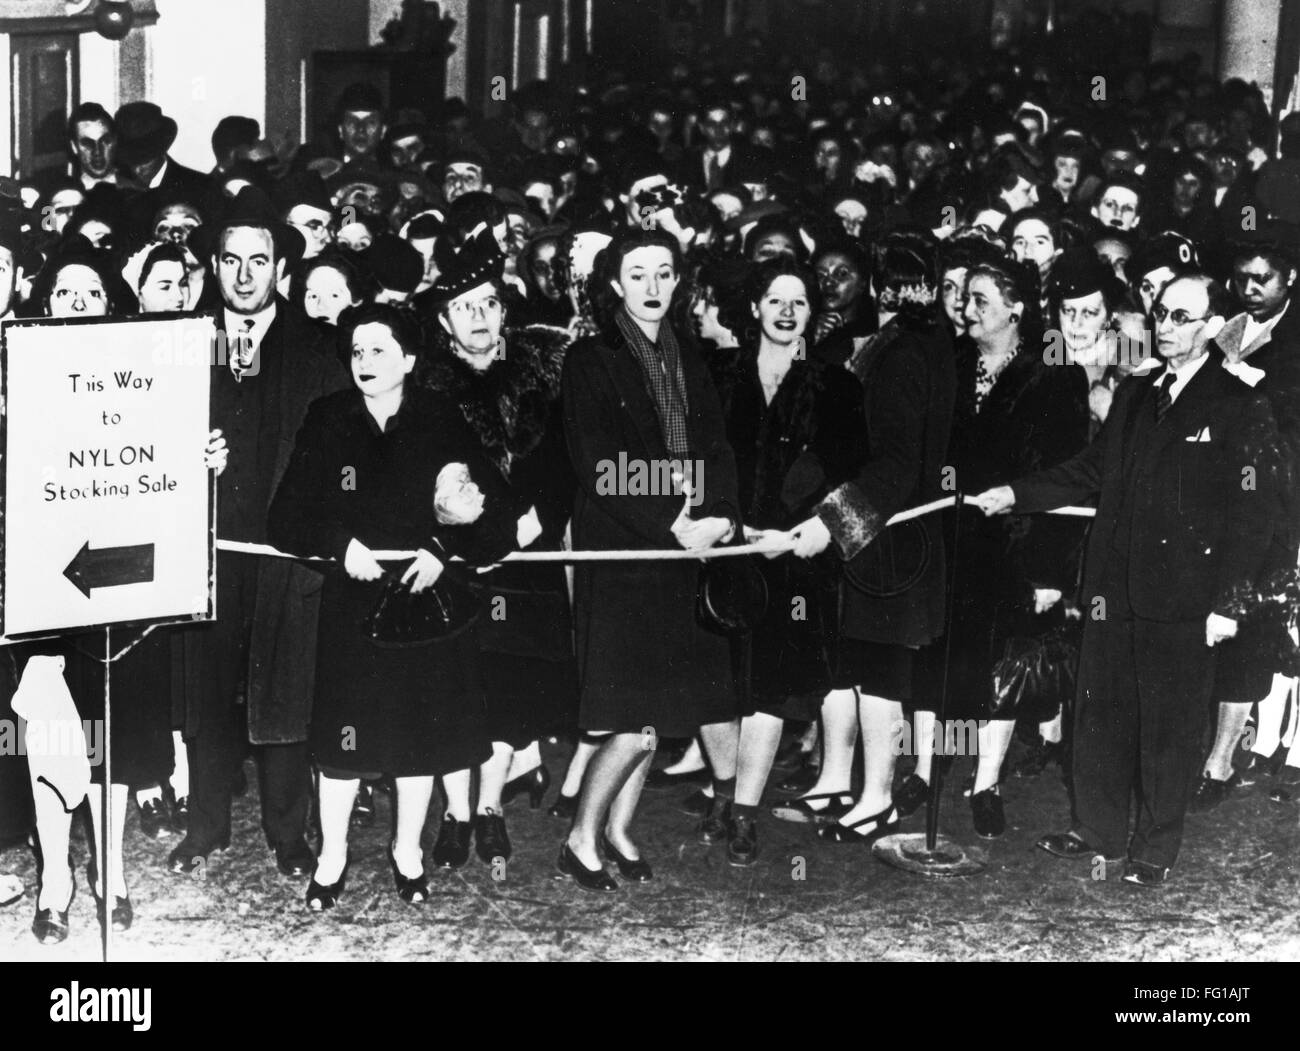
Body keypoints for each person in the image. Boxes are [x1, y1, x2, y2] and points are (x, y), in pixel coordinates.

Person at [972, 274, 1278, 885]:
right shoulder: (1138, 393)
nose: (1165, 326)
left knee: (1167, 726)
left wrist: (1230, 604)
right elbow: (1090, 470)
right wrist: (1016, 493)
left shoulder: (1239, 403)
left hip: (1186, 599)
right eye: (1160, 313)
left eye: (1183, 316)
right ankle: (1096, 829)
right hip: (1113, 590)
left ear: (1213, 326)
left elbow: (1254, 513)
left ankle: (1155, 848)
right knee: (1099, 713)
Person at [268, 303, 516, 909]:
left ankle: (407, 852)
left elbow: (494, 516)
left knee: (419, 740)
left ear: (408, 359)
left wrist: (443, 545)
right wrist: (338, 544)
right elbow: (285, 517)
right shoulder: (327, 418)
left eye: (379, 350)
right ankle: (331, 859)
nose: (365, 362)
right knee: (343, 746)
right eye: (356, 351)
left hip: (427, 609)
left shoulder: (442, 418)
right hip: (354, 611)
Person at [21, 243, 226, 943]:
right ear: (44, 305)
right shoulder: (16, 375)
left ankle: (111, 872)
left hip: (123, 603)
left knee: (115, 749)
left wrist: (202, 459)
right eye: (64, 295)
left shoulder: (150, 376)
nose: (78, 306)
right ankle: (56, 877)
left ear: (112, 305)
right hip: (40, 603)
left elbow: (168, 478)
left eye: (91, 295)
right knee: (50, 744)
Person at [167, 188, 348, 881]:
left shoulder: (316, 351)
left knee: (287, 692)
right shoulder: (182, 342)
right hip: (210, 552)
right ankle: (206, 823)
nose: (245, 275)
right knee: (209, 689)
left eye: (260, 260)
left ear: (281, 270)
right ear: (213, 267)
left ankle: (287, 831)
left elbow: (339, 456)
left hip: (286, 552)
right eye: (232, 260)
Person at [559, 225, 741, 891]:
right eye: (638, 274)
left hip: (684, 548)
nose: (653, 286)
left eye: (664, 273)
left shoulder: (688, 354)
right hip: (627, 548)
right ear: (614, 283)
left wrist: (719, 514)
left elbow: (717, 447)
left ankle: (618, 830)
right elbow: (599, 463)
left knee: (658, 708)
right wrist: (674, 516)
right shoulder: (589, 359)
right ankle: (581, 836)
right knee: (631, 714)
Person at [773, 231, 956, 844]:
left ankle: (877, 798)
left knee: (880, 674)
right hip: (878, 536)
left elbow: (897, 464)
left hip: (892, 539)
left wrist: (830, 521)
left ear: (878, 287)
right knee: (854, 663)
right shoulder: (912, 343)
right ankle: (838, 780)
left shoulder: (904, 353)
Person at [702, 257, 867, 864]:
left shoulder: (837, 386)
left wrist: (817, 528)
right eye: (775, 300)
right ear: (754, 308)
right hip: (725, 550)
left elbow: (852, 473)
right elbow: (692, 454)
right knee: (716, 682)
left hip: (797, 560)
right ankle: (724, 788)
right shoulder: (718, 375)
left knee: (769, 686)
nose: (787, 312)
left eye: (799, 302)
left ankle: (744, 810)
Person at [421, 226, 577, 867]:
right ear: (444, 320)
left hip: (531, 560)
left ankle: (489, 811)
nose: (479, 317)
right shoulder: (430, 388)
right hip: (463, 560)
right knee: (460, 688)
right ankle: (455, 814)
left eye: (488, 304)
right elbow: (428, 479)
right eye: (464, 307)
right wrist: (479, 534)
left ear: (504, 311)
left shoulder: (540, 373)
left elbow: (569, 462)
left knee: (516, 694)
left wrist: (539, 521)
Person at [922, 256, 1088, 835]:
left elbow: (1068, 475)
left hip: (1022, 545)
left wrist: (1051, 573)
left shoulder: (1053, 366)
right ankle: (933, 767)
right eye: (964, 298)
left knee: (1006, 665)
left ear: (1016, 307)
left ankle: (986, 783)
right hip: (956, 541)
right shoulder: (954, 360)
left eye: (981, 300)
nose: (966, 310)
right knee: (954, 661)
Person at [1193, 231, 1300, 807]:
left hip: (1273, 496)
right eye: (1242, 278)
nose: (1251, 288)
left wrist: (1233, 385)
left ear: (1291, 280)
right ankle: (1198, 747)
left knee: (1248, 626)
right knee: (1208, 618)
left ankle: (1223, 759)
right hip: (1215, 489)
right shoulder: (1228, 328)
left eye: (1265, 278)